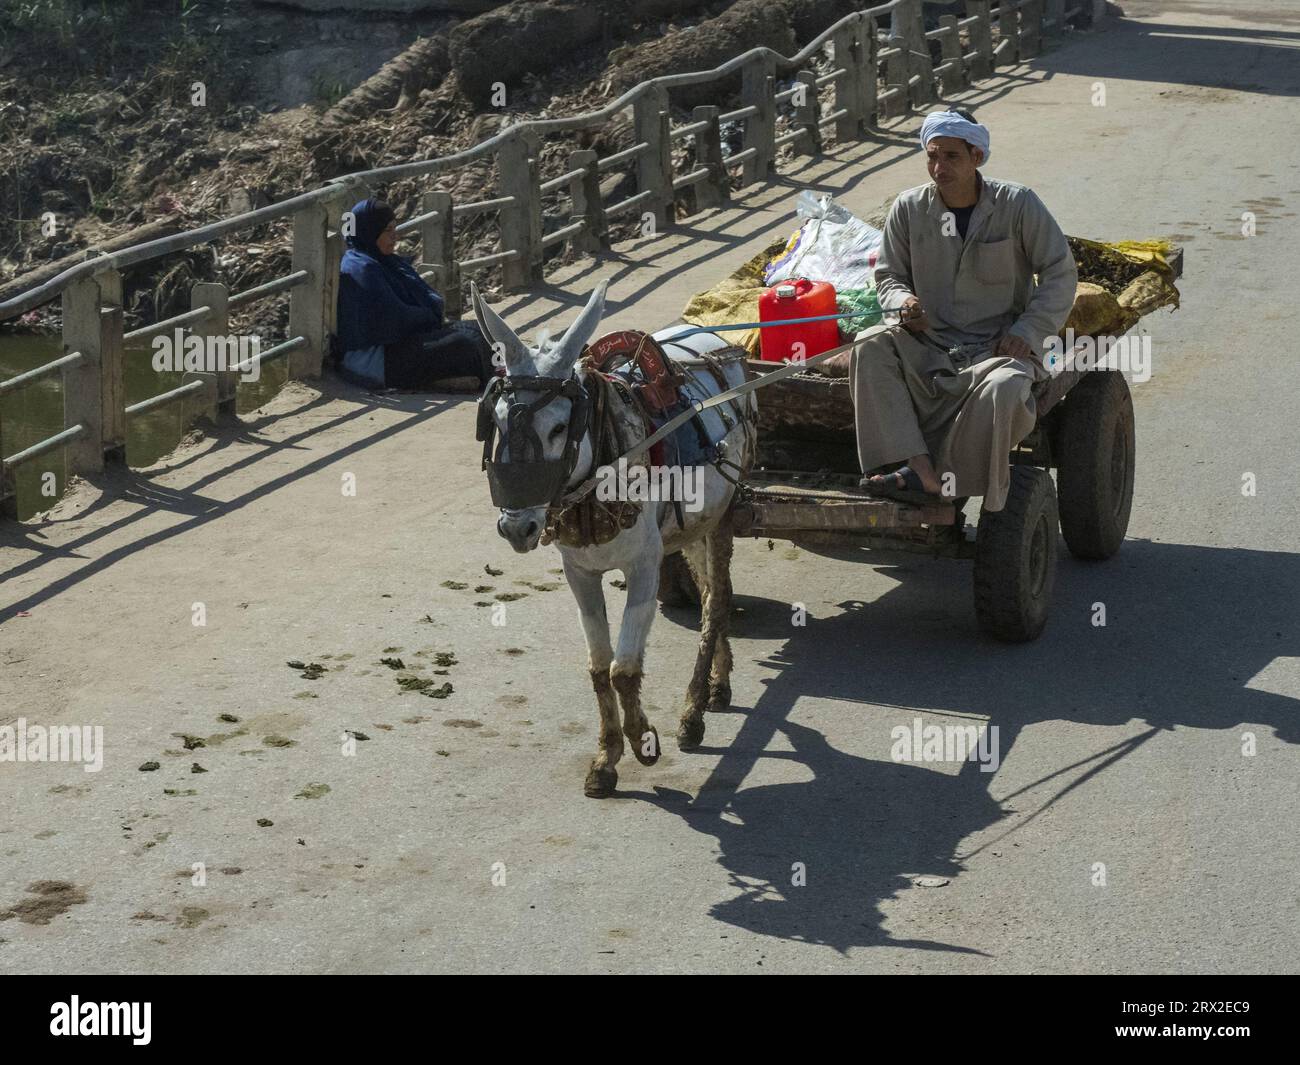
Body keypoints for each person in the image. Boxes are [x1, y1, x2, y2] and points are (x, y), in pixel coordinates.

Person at [821, 108, 1077, 511]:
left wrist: (1027, 333)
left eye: (951, 157)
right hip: (930, 344)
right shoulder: (908, 208)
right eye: (932, 156)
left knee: (1006, 389)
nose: (938, 167)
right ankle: (917, 466)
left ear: (977, 157)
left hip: (996, 350)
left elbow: (1060, 273)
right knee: (870, 344)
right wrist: (902, 303)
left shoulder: (1018, 204)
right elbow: (888, 277)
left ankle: (947, 480)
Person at [335, 198, 498, 390]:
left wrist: (428, 314)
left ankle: (486, 375)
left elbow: (423, 300)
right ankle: (492, 380)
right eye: (387, 230)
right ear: (369, 231)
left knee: (481, 327)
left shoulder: (387, 261)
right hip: (377, 361)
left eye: (394, 229)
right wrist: (427, 315)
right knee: (461, 343)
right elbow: (392, 319)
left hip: (400, 341)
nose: (394, 237)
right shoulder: (361, 268)